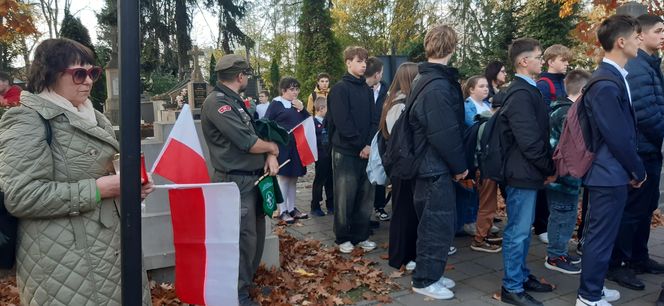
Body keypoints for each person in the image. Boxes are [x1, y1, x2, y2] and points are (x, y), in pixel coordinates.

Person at [0, 38, 154, 305]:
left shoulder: (95, 117)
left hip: (112, 250)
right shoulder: (28, 119)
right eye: (79, 73)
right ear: (50, 74)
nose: (89, 81)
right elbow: (20, 195)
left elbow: (105, 173)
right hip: (65, 262)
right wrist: (98, 189)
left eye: (92, 72)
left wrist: (132, 187)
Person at [576, 15, 646, 306]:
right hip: (608, 173)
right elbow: (617, 136)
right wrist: (637, 169)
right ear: (621, 41)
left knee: (603, 235)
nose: (639, 40)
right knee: (600, 237)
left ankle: (595, 287)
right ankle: (589, 296)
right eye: (636, 36)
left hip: (610, 172)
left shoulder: (614, 77)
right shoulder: (606, 83)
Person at [201, 54, 280, 306]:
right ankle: (237, 295)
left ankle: (246, 284)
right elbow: (246, 142)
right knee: (242, 242)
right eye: (246, 74)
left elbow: (253, 133)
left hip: (252, 180)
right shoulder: (218, 103)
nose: (247, 78)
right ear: (240, 76)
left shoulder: (234, 101)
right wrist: (273, 148)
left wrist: (268, 152)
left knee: (253, 237)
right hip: (235, 183)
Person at [408, 24, 468, 300]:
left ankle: (432, 271)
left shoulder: (426, 80)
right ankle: (425, 279)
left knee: (434, 223)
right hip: (434, 167)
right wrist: (460, 167)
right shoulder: (437, 85)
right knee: (436, 224)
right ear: (452, 47)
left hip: (428, 165)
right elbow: (444, 133)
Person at [608, 14, 664, 291]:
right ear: (639, 36)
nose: (663, 35)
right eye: (658, 30)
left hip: (650, 149)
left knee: (645, 208)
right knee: (632, 211)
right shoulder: (639, 68)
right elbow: (646, 113)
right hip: (642, 148)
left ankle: (639, 257)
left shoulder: (650, 64)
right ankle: (618, 264)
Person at [498, 37, 556, 306]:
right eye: (538, 55)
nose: (541, 59)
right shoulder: (521, 93)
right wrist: (549, 166)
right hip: (522, 172)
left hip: (527, 171)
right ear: (524, 61)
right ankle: (511, 287)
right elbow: (529, 140)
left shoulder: (527, 89)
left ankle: (520, 276)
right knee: (517, 232)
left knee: (522, 230)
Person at [327, 46, 378, 254]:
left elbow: (375, 119)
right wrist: (360, 145)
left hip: (365, 151)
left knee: (365, 197)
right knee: (345, 197)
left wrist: (368, 145)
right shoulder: (339, 89)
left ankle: (361, 234)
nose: (364, 64)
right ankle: (343, 237)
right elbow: (342, 122)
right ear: (348, 62)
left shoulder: (366, 89)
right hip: (346, 151)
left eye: (365, 60)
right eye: (359, 60)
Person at [544, 69, 591, 275]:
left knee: (566, 214)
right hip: (563, 177)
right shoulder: (568, 113)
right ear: (583, 90)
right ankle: (555, 256)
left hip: (562, 176)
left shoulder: (561, 109)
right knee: (562, 215)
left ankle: (560, 251)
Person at [379, 62, 419, 270]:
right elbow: (398, 138)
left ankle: (406, 254)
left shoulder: (395, 101)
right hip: (402, 165)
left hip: (401, 164)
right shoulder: (399, 104)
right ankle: (401, 256)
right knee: (403, 212)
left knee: (406, 211)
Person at [533, 44, 573, 245]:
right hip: (550, 141)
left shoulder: (565, 82)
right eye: (563, 60)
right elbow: (543, 115)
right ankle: (541, 225)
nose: (567, 63)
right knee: (545, 184)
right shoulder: (543, 84)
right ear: (550, 61)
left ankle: (551, 224)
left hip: (563, 142)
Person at [265, 77, 310, 223]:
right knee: (283, 178)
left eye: (297, 89)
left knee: (293, 177)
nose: (295, 92)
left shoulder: (297, 104)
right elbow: (266, 124)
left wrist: (302, 109)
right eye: (292, 89)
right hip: (282, 147)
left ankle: (292, 208)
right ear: (283, 90)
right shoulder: (276, 104)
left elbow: (307, 121)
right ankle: (282, 209)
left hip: (297, 146)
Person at [365, 57, 390, 222]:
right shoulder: (362, 88)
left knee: (379, 168)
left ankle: (380, 206)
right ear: (376, 73)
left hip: (381, 134)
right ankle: (366, 208)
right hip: (365, 135)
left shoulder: (386, 88)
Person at [310, 96, 333, 217]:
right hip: (320, 156)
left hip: (329, 155)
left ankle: (331, 204)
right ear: (321, 108)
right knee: (319, 180)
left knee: (330, 180)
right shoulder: (313, 123)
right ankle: (315, 205)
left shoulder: (329, 122)